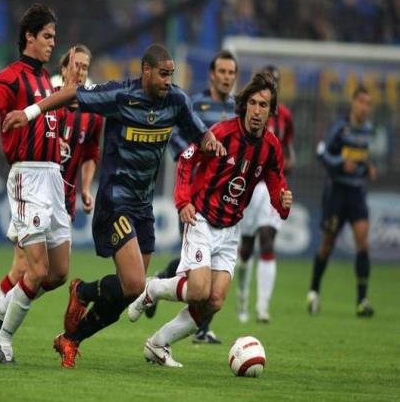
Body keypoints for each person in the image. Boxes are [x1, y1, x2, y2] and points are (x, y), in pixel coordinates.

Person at [2, 43, 225, 368]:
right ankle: (81, 294)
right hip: (115, 202)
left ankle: (72, 336)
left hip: (144, 207)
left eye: (171, 75)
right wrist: (29, 113)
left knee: (129, 292)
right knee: (135, 283)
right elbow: (73, 94)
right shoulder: (121, 95)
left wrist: (211, 142)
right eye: (163, 74)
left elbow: (199, 133)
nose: (168, 80)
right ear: (146, 70)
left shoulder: (176, 101)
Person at [127, 71, 293, 367]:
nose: (257, 110)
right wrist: (183, 202)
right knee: (199, 292)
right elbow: (186, 160)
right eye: (253, 103)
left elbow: (276, 187)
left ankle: (158, 344)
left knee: (214, 300)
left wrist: (283, 202)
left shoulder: (271, 147)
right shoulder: (222, 133)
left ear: (271, 110)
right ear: (245, 104)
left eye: (263, 105)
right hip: (202, 219)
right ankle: (153, 288)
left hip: (230, 230)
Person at [0, 43, 103, 351]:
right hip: (34, 189)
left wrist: (86, 187)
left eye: (86, 66)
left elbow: (91, 153)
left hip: (62, 197)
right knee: (25, 267)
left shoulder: (92, 112)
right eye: (76, 64)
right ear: (64, 68)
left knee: (52, 272)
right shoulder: (49, 96)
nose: (80, 71)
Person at [0, 4, 72, 364]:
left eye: (54, 37)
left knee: (58, 273)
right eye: (47, 36)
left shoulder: (46, 80)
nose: (52, 42)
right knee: (37, 269)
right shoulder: (13, 77)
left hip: (53, 177)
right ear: (29, 37)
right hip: (27, 178)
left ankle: (1, 308)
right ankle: (3, 340)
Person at [145, 50, 238, 345]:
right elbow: (172, 132)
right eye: (222, 71)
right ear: (212, 74)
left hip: (223, 197)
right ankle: (171, 295)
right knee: (199, 259)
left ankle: (165, 283)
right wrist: (190, 155)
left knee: (209, 262)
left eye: (231, 73)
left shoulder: (239, 110)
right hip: (194, 192)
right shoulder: (195, 104)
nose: (226, 77)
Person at [307, 86, 375, 317]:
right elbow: (321, 153)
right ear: (353, 103)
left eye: (368, 103)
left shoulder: (367, 129)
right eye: (362, 102)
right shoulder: (340, 128)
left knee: (363, 243)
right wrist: (339, 163)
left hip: (357, 193)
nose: (365, 107)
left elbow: (361, 159)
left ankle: (362, 300)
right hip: (336, 193)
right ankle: (314, 291)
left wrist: (367, 168)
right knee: (327, 244)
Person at [235, 65, 296, 323]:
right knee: (246, 248)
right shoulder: (247, 113)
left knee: (267, 241)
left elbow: (289, 150)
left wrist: (286, 164)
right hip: (247, 184)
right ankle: (242, 300)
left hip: (269, 186)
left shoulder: (285, 117)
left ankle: (262, 307)